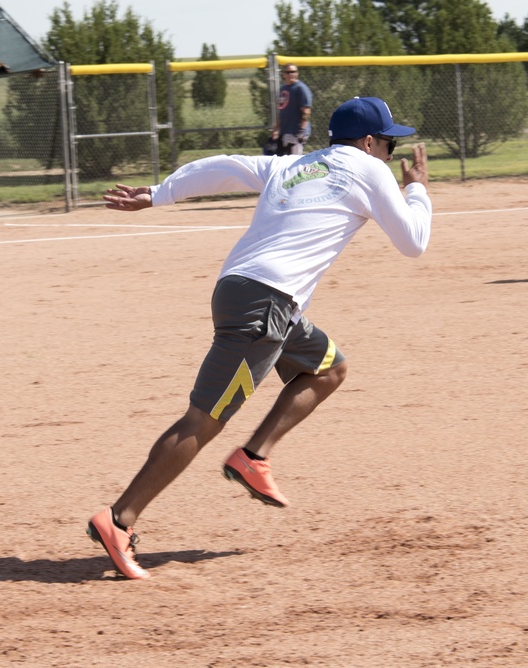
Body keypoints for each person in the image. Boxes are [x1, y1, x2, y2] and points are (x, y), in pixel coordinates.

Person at [88, 97, 432, 580]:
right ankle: (119, 519)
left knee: (328, 367)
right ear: (370, 142)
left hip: (246, 291)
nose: (390, 153)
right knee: (203, 420)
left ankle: (253, 458)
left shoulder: (295, 165)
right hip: (265, 306)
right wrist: (416, 191)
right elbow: (414, 242)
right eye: (389, 143)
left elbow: (224, 169)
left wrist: (160, 192)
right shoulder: (367, 168)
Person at [270, 63, 312, 156]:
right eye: (288, 72)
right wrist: (276, 129)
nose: (291, 74)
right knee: (282, 160)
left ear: (297, 73)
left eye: (293, 72)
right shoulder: (283, 89)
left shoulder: (300, 88)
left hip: (296, 132)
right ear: (283, 74)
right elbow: (281, 111)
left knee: (294, 161)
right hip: (285, 131)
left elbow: (306, 111)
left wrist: (301, 131)